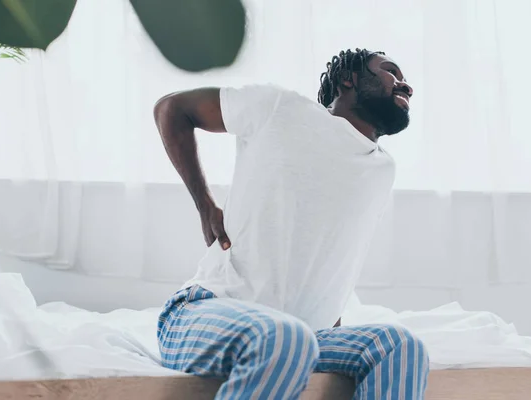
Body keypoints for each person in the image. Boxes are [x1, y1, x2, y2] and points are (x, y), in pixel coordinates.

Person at [153, 48, 429, 399]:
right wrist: (204, 203)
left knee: (400, 345)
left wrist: (332, 321)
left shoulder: (382, 170)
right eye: (391, 72)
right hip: (202, 316)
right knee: (286, 336)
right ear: (350, 79)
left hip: (302, 338)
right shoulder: (281, 108)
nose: (405, 85)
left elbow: (333, 261)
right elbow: (171, 109)